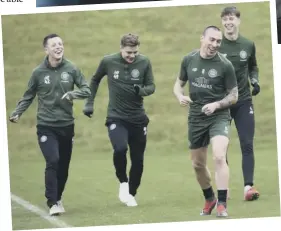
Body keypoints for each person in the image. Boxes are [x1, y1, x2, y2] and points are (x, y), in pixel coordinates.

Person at [9, 34, 91, 216]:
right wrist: (17, 112)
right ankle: (52, 202)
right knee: (52, 160)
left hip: (67, 125)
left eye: (61, 44)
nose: (58, 47)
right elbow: (29, 95)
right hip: (46, 125)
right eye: (54, 45)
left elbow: (86, 89)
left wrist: (73, 95)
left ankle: (58, 197)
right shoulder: (38, 73)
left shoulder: (71, 68)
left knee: (63, 166)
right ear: (46, 50)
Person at [83, 33, 155, 207]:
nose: (132, 56)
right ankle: (123, 182)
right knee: (120, 148)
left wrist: (141, 91)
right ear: (121, 48)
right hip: (117, 117)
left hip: (138, 119)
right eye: (128, 52)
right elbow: (94, 80)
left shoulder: (144, 62)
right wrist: (89, 103)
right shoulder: (108, 61)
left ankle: (131, 193)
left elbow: (151, 86)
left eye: (135, 52)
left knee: (138, 159)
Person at [173, 26, 238, 217]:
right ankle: (210, 198)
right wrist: (179, 96)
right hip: (196, 117)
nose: (215, 44)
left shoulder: (225, 65)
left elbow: (234, 95)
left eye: (218, 41)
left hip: (219, 116)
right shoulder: (188, 59)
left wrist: (217, 105)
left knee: (219, 156)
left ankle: (222, 204)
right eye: (211, 40)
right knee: (197, 164)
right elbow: (178, 84)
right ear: (202, 38)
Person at [218, 6, 260, 201]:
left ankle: (248, 188)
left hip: (243, 101)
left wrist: (255, 81)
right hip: (223, 103)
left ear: (238, 21)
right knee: (222, 147)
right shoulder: (217, 46)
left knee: (247, 143)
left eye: (232, 18)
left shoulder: (248, 44)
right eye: (225, 19)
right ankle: (223, 190)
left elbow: (253, 67)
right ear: (222, 22)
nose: (228, 22)